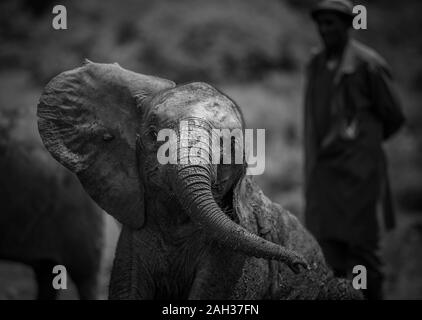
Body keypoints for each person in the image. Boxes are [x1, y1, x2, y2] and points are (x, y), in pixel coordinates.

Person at [303, 0, 405, 299]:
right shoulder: (316, 63)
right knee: (325, 255)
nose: (325, 30)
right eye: (321, 23)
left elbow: (394, 117)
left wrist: (362, 144)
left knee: (363, 254)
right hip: (324, 177)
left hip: (359, 176)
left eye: (332, 23)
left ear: (348, 25)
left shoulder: (367, 64)